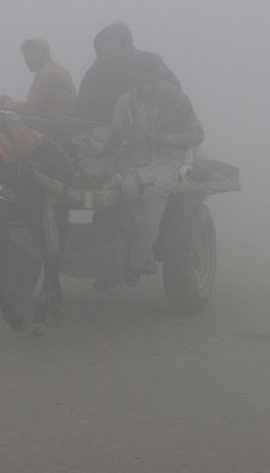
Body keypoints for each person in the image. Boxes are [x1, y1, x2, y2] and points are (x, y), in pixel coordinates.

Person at [111, 52, 204, 285]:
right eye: (141, 76)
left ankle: (134, 264)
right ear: (135, 76)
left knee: (152, 198)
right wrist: (116, 148)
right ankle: (137, 254)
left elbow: (197, 134)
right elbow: (115, 136)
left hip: (168, 160)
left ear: (158, 75)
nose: (145, 81)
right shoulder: (126, 102)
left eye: (149, 75)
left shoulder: (178, 100)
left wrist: (165, 139)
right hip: (135, 162)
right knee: (127, 191)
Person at [76, 21, 181, 124]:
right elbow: (84, 112)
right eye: (106, 46)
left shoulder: (150, 62)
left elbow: (176, 94)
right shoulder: (94, 74)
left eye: (114, 44)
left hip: (156, 127)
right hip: (110, 130)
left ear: (126, 44)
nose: (109, 50)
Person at [0, 38, 76, 116]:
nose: (28, 60)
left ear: (42, 54)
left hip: (53, 121)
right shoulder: (53, 68)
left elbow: (31, 108)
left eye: (32, 55)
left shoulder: (47, 73)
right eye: (26, 56)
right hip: (60, 119)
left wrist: (10, 105)